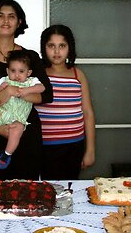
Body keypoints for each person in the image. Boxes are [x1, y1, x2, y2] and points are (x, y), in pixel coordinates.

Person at [0, 0, 53, 181]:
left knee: (27, 194)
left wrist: (16, 92)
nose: (6, 21)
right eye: (0, 16)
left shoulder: (30, 57)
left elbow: (47, 94)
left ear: (19, 22)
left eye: (11, 16)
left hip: (26, 135)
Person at [35, 24, 96, 180]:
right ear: (44, 48)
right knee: (47, 192)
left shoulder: (78, 74)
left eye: (62, 45)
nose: (56, 51)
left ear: (70, 48)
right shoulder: (36, 74)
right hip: (44, 147)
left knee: (69, 190)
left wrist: (90, 150)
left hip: (74, 146)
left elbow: (88, 113)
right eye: (51, 46)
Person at [0, 50, 45, 169]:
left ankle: (7, 154)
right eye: (13, 71)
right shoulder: (5, 81)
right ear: (7, 71)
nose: (17, 75)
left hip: (18, 117)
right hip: (2, 112)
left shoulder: (31, 82)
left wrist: (26, 90)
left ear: (28, 72)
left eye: (21, 71)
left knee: (16, 132)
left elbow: (42, 88)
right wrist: (1, 88)